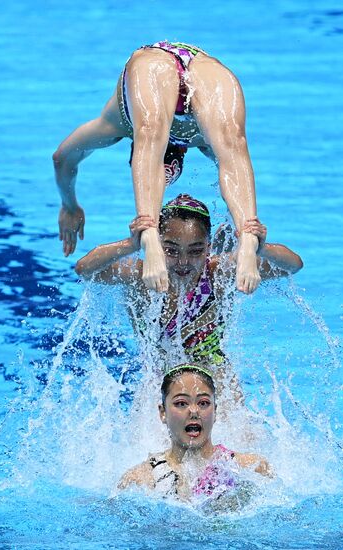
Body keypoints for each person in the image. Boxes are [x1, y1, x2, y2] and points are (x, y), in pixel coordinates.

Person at [53, 40, 262, 294]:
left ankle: (150, 235)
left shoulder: (118, 124)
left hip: (151, 65)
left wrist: (70, 206)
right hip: (206, 69)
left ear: (135, 154)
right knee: (232, 141)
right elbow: (235, 164)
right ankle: (248, 236)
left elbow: (62, 158)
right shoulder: (204, 140)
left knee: (149, 129)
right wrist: (244, 228)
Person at [74, 193, 303, 373]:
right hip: (159, 379)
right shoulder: (141, 275)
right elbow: (85, 269)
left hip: (214, 374)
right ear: (156, 246)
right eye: (171, 250)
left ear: (209, 248)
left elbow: (293, 265)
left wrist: (259, 248)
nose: (183, 262)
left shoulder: (218, 273)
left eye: (195, 251)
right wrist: (131, 244)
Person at [118, 364, 271, 503]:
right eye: (181, 403)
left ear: (215, 411)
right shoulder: (139, 480)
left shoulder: (252, 467)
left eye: (203, 403)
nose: (194, 411)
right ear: (163, 413)